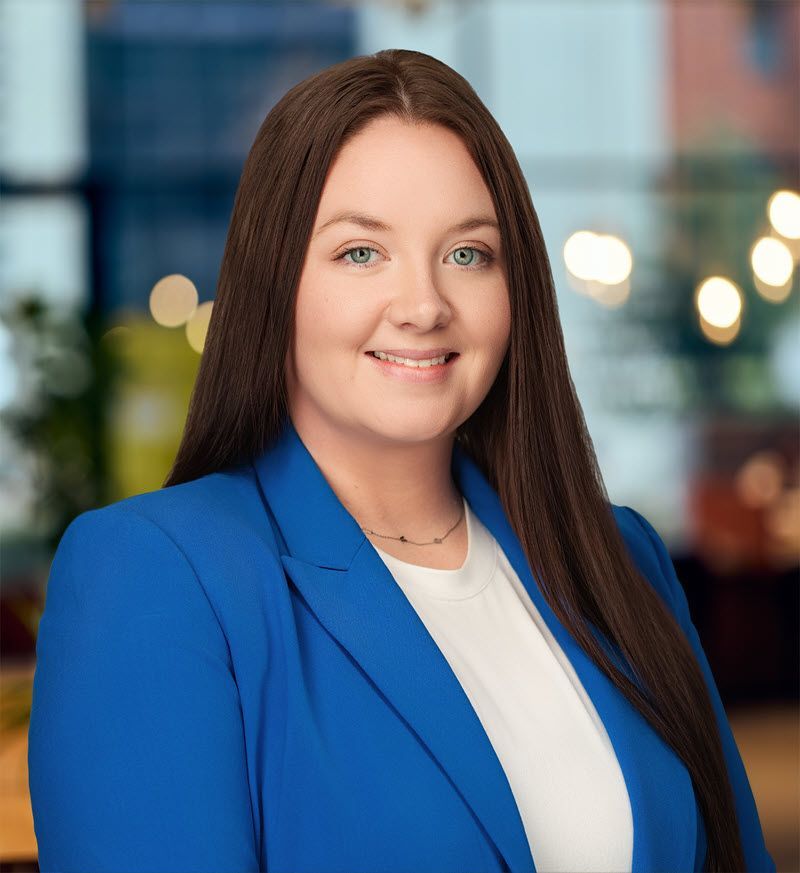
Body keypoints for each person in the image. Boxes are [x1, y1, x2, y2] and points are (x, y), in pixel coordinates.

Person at [28, 49, 775, 873]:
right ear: (275, 282)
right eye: (360, 252)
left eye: (467, 254)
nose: (424, 305)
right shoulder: (156, 575)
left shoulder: (621, 558)